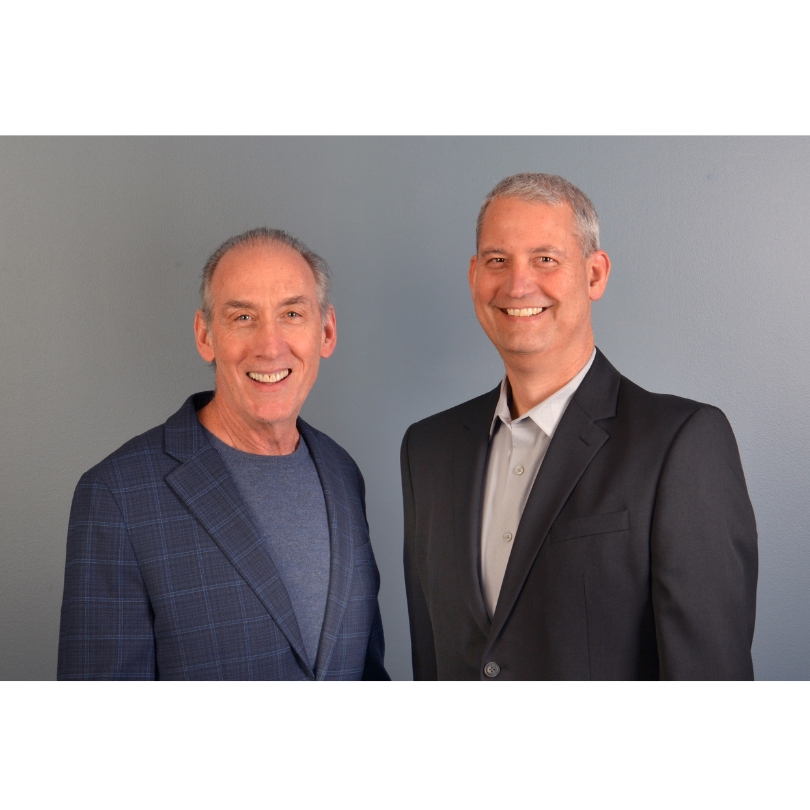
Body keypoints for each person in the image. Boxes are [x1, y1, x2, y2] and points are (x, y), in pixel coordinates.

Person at [401, 173, 757, 680]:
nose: (517, 285)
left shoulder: (682, 443)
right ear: (474, 276)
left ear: (594, 274)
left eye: (545, 259)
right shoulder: (427, 450)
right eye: (498, 260)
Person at [58, 228, 388, 680]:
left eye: (292, 313)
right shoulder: (118, 495)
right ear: (205, 336)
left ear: (326, 332)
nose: (270, 346)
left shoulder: (342, 473)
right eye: (243, 317)